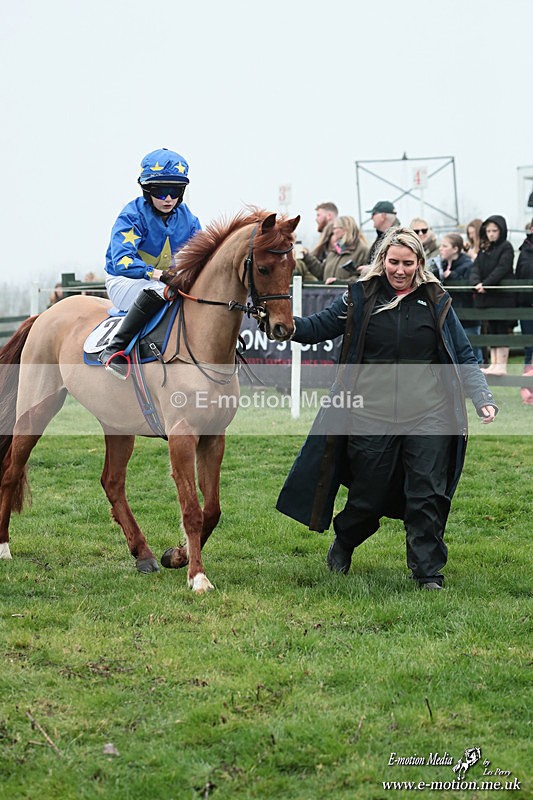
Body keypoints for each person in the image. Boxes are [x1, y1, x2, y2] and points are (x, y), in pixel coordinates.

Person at [277, 226, 497, 590]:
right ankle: (345, 540)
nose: (399, 270)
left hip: (430, 415)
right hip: (370, 413)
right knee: (369, 495)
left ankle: (428, 572)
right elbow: (320, 326)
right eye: (393, 262)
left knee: (427, 492)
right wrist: (286, 328)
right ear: (382, 260)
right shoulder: (360, 297)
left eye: (407, 263)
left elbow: (462, 353)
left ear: (419, 263)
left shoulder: (436, 299)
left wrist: (482, 397)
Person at [99, 148, 201, 378]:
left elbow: (202, 255)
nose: (168, 198)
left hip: (164, 281)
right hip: (123, 280)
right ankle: (114, 349)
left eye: (174, 191)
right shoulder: (132, 215)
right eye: (160, 191)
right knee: (160, 289)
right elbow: (123, 261)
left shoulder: (188, 218)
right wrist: (159, 274)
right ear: (147, 190)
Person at [471, 215, 515, 375]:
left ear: (501, 231)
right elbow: (475, 268)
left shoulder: (507, 247)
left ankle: (501, 365)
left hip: (503, 298)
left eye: (494, 230)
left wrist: (486, 285)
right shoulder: (485, 249)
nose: (491, 234)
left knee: (502, 329)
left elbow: (502, 268)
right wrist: (476, 283)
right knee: (492, 329)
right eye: (488, 230)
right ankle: (494, 364)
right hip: (488, 298)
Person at [437, 233, 482, 364]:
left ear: (455, 249)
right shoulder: (442, 265)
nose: (441, 249)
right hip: (450, 317)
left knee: (473, 354)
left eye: (445, 246)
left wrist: (453, 275)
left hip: (468, 319)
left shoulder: (468, 265)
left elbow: (470, 286)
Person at [300, 216, 370, 284]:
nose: (333, 231)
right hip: (329, 294)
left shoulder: (363, 251)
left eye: (335, 228)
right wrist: (306, 256)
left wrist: (339, 283)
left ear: (345, 229)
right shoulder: (335, 251)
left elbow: (364, 278)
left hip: (347, 295)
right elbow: (321, 272)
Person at [515, 219, 533, 403]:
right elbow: (520, 276)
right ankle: (527, 389)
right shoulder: (525, 250)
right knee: (529, 348)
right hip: (527, 306)